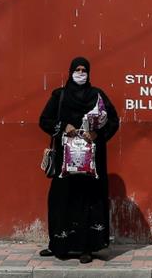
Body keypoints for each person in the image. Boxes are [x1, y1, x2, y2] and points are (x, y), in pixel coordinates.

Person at [38, 57, 120, 263]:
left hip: (91, 162)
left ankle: (87, 248)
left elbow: (113, 120)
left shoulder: (97, 96)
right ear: (70, 71)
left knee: (88, 200)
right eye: (77, 69)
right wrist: (64, 126)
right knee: (61, 198)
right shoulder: (60, 95)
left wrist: (97, 135)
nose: (81, 73)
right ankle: (60, 244)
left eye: (84, 70)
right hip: (66, 162)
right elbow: (44, 120)